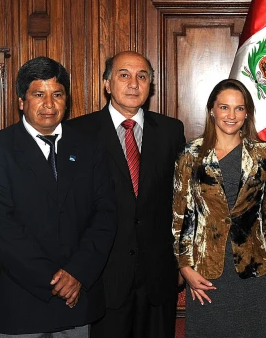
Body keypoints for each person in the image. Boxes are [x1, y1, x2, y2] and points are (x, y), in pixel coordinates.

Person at [0, 57, 116, 337]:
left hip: (77, 298)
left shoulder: (91, 147)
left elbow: (106, 215)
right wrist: (53, 281)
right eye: (38, 94)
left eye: (57, 94)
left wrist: (77, 273)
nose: (49, 104)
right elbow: (0, 224)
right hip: (21, 301)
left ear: (67, 100)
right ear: (21, 101)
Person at [65, 51, 186, 338]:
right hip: (102, 277)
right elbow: (70, 208)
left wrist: (183, 259)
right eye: (124, 75)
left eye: (142, 76)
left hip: (158, 277)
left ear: (151, 86)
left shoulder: (171, 131)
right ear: (107, 84)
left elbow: (182, 203)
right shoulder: (78, 132)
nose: (134, 83)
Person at [172, 78, 266, 338]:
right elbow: (179, 217)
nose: (232, 115)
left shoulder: (264, 153)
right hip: (205, 270)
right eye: (224, 107)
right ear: (212, 110)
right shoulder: (190, 154)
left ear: (247, 113)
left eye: (239, 108)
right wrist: (185, 268)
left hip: (251, 269)